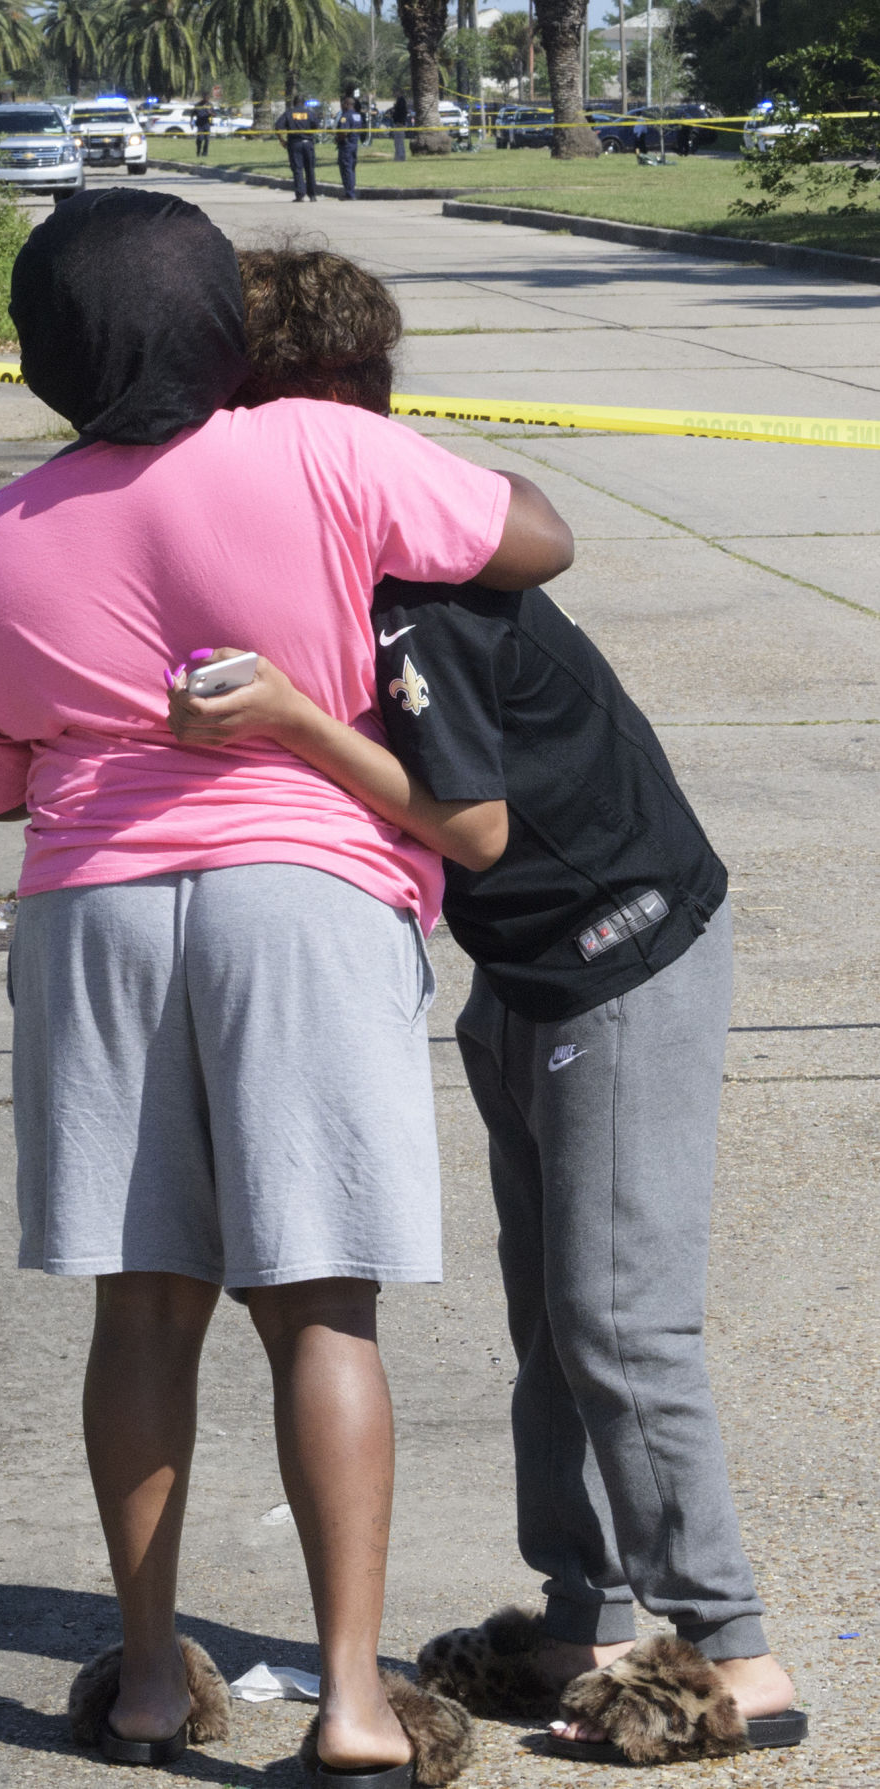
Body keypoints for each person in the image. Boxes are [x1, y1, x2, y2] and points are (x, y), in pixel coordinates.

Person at [0, 191, 573, 1784]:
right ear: (224, 326)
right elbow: (532, 537)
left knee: (141, 1307)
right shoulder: (320, 452)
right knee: (319, 1307)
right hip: (310, 897)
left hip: (97, 917)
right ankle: (353, 1704)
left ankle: (147, 1679)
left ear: (43, 355)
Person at [167, 246, 808, 1771]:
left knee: (615, 1317)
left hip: (618, 953)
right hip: (527, 973)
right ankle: (577, 1617)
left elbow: (472, 829)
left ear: (296, 418)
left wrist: (288, 721)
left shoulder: (418, 584)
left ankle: (735, 1654)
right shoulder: (373, 536)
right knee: (546, 1322)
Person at [275, 90, 319, 201]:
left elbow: (278, 126)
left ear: (294, 103)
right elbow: (316, 126)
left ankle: (300, 195)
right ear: (303, 103)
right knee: (310, 169)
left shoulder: (289, 113)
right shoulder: (309, 113)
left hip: (295, 144)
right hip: (308, 143)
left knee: (298, 169)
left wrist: (282, 140)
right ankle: (312, 195)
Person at [335, 90, 364, 199]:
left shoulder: (345, 116)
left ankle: (349, 193)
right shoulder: (358, 116)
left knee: (346, 169)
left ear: (347, 104)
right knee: (351, 169)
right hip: (354, 145)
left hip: (346, 146)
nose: (342, 106)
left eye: (343, 104)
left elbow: (343, 132)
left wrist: (337, 139)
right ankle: (350, 191)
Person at [390, 88, 408, 160]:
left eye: (395, 92)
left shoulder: (401, 101)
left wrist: (400, 122)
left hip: (399, 123)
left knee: (399, 141)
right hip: (398, 122)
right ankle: (399, 156)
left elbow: (402, 113)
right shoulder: (399, 100)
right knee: (397, 141)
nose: (394, 94)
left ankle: (400, 157)